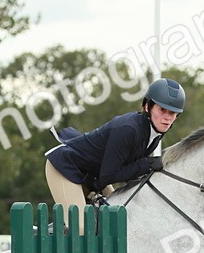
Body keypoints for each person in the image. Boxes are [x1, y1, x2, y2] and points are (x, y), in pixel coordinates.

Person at [44, 77, 184, 207]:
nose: (167, 117)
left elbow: (129, 170)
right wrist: (147, 164)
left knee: (118, 216)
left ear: (177, 116)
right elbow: (109, 176)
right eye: (162, 110)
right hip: (66, 167)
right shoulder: (129, 129)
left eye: (171, 113)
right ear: (147, 106)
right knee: (81, 228)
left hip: (94, 174)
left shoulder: (154, 132)